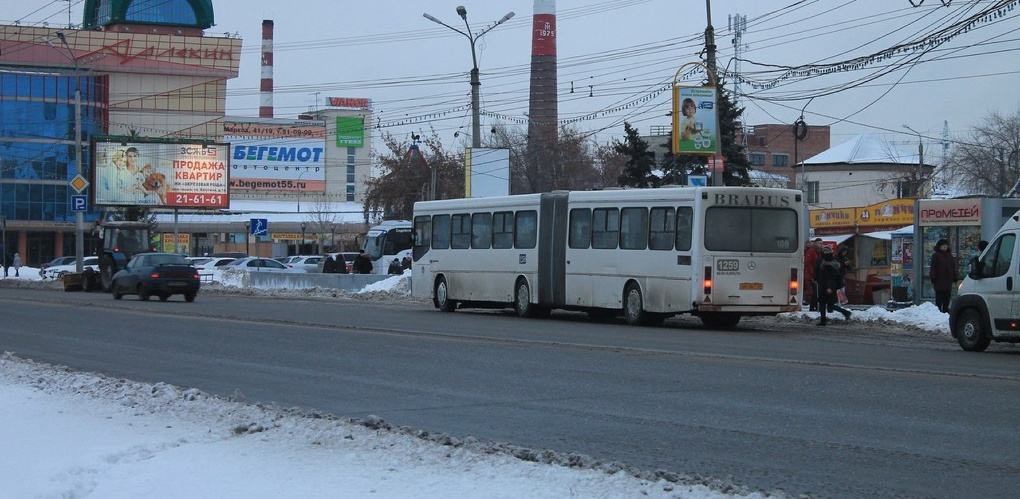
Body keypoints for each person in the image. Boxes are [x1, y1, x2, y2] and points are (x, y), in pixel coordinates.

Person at [815, 246, 852, 326]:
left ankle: (845, 313)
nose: (825, 253)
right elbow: (817, 271)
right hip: (824, 285)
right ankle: (824, 320)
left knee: (828, 304)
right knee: (825, 304)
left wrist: (829, 287)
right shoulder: (822, 260)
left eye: (827, 251)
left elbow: (830, 276)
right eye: (824, 251)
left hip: (829, 286)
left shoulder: (830, 263)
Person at [930, 238, 959, 313]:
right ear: (939, 246)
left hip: (948, 279)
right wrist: (933, 277)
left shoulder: (949, 255)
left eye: (946, 245)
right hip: (939, 279)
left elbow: (953, 266)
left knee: (947, 295)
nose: (945, 247)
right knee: (939, 295)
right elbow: (933, 267)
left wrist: (955, 277)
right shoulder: (936, 255)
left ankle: (946, 308)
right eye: (943, 245)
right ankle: (938, 309)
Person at [804, 238, 821, 311]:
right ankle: (813, 306)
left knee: (814, 291)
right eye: (819, 243)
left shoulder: (817, 252)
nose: (821, 244)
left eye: (821, 243)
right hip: (811, 275)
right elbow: (808, 263)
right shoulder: (812, 251)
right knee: (812, 291)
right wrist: (813, 273)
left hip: (814, 274)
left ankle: (813, 306)